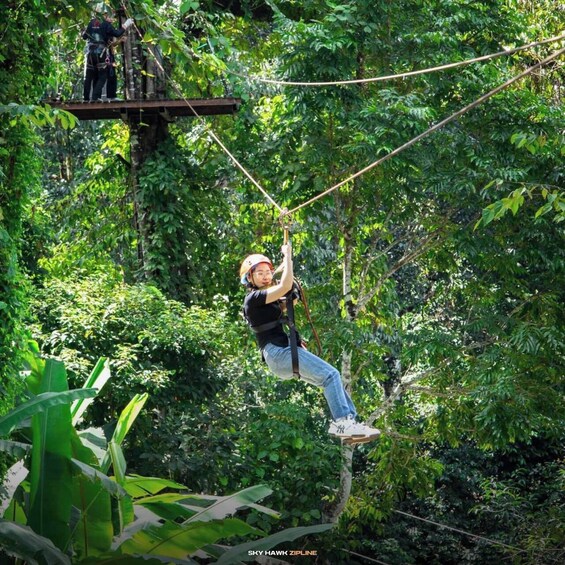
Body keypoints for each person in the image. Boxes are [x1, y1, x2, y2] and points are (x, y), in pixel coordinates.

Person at [240, 244, 381, 441]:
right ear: (249, 278)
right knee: (331, 375)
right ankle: (343, 424)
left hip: (281, 354)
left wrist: (292, 296)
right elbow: (284, 286)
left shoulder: (266, 300)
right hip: (279, 354)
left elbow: (286, 301)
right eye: (260, 273)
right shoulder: (253, 298)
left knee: (330, 379)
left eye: (268, 272)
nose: (265, 276)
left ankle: (350, 423)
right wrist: (288, 257)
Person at [82, 5, 133, 101]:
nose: (112, 18)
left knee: (88, 76)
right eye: (110, 16)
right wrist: (126, 25)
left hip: (90, 52)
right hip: (100, 52)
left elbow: (84, 36)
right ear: (105, 15)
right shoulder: (106, 24)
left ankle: (86, 98)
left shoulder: (91, 23)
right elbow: (117, 33)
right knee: (103, 76)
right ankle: (95, 97)